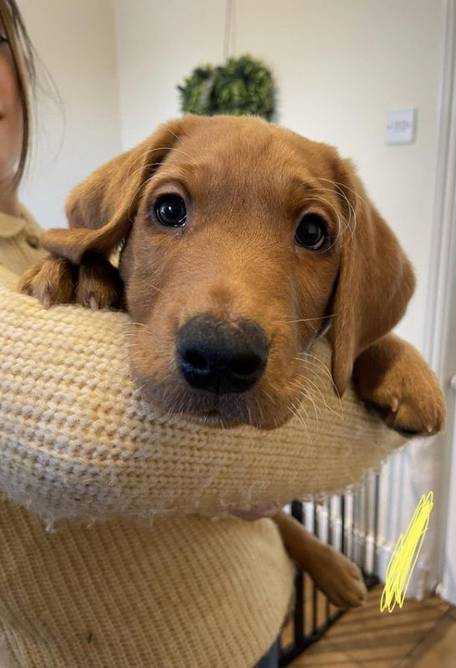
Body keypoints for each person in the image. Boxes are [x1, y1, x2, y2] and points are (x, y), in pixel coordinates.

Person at [0, 2, 291, 665]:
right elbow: (113, 445)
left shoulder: (41, 238)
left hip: (252, 604)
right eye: (169, 209)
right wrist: (258, 467)